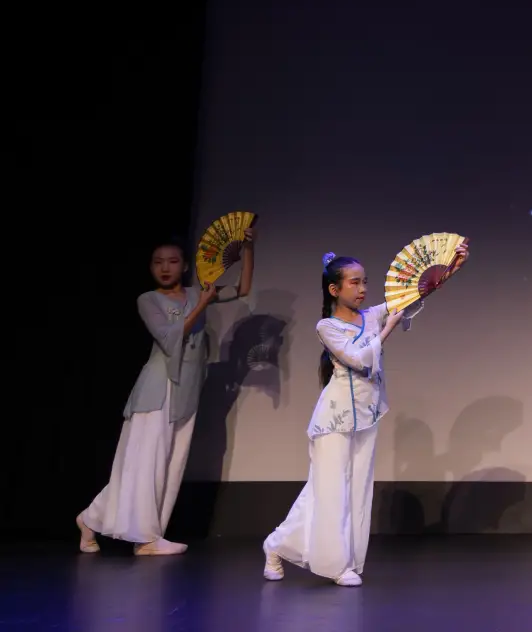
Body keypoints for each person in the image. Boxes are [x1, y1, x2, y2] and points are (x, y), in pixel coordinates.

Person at [263, 244, 468, 586]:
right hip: (334, 419)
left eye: (364, 282)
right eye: (354, 283)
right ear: (335, 289)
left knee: (354, 489)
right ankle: (334, 564)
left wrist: (450, 267)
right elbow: (357, 359)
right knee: (329, 491)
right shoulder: (326, 327)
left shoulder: (370, 315)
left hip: (367, 415)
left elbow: (415, 294)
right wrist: (385, 332)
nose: (362, 289)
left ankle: (289, 547)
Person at [78, 232, 257, 555]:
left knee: (170, 463)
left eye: (172, 261)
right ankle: (144, 538)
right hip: (157, 390)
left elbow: (242, 289)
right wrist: (202, 304)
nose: (165, 268)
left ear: (185, 265)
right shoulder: (148, 300)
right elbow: (168, 337)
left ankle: (96, 521)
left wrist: (248, 249)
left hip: (186, 390)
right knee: (144, 462)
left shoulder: (194, 292)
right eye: (158, 262)